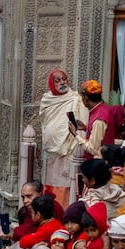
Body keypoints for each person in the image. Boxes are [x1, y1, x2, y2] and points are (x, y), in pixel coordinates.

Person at [37, 69, 82, 200]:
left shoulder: (75, 98)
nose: (62, 83)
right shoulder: (46, 99)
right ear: (52, 84)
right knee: (49, 185)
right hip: (50, 152)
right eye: (58, 80)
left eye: (64, 79)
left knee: (65, 187)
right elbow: (45, 122)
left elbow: (80, 122)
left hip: (68, 150)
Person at [70, 79, 122, 159]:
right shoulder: (104, 109)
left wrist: (75, 134)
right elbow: (102, 135)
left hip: (98, 165)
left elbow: (93, 149)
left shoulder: (99, 118)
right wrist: (85, 129)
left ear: (86, 97)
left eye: (82, 97)